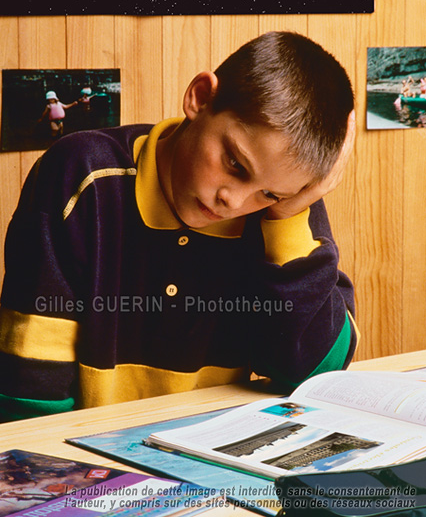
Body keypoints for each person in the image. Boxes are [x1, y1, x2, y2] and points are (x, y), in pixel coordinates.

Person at [0, 31, 358, 422]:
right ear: (200, 97)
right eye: (235, 164)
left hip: (219, 461)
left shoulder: (282, 207)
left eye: (269, 194)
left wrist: (288, 216)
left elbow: (318, 378)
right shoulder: (80, 175)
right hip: (87, 469)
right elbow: (30, 394)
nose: (235, 202)